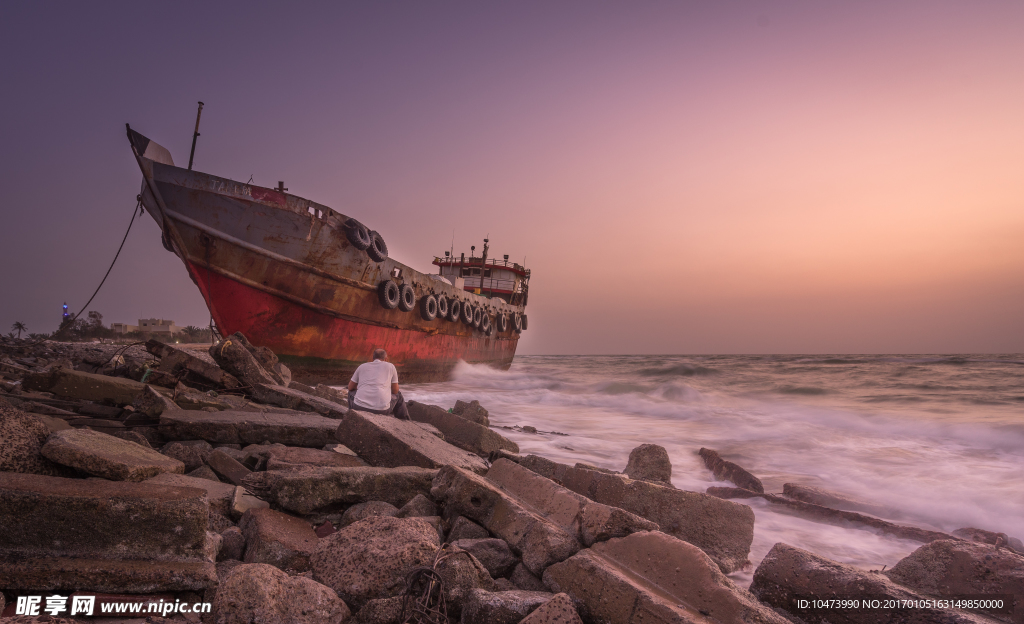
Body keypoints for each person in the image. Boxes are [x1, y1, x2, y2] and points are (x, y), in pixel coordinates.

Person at [347, 348, 410, 420]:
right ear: (386, 359)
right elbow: (395, 391)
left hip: (359, 407)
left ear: (373, 358)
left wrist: (361, 388)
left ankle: (351, 417)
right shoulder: (391, 366)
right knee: (398, 394)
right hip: (382, 411)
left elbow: (350, 387)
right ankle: (404, 421)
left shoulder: (362, 366)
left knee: (350, 392)